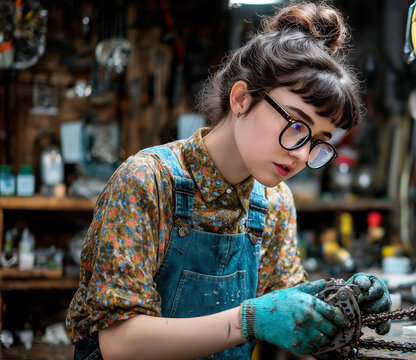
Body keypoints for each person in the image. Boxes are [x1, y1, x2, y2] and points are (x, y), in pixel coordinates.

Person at [66, 2, 391, 360]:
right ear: (241, 99)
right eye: (297, 125)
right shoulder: (147, 181)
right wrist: (247, 322)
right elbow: (118, 344)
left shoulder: (274, 202)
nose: (302, 154)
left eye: (318, 141)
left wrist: (341, 304)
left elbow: (290, 317)